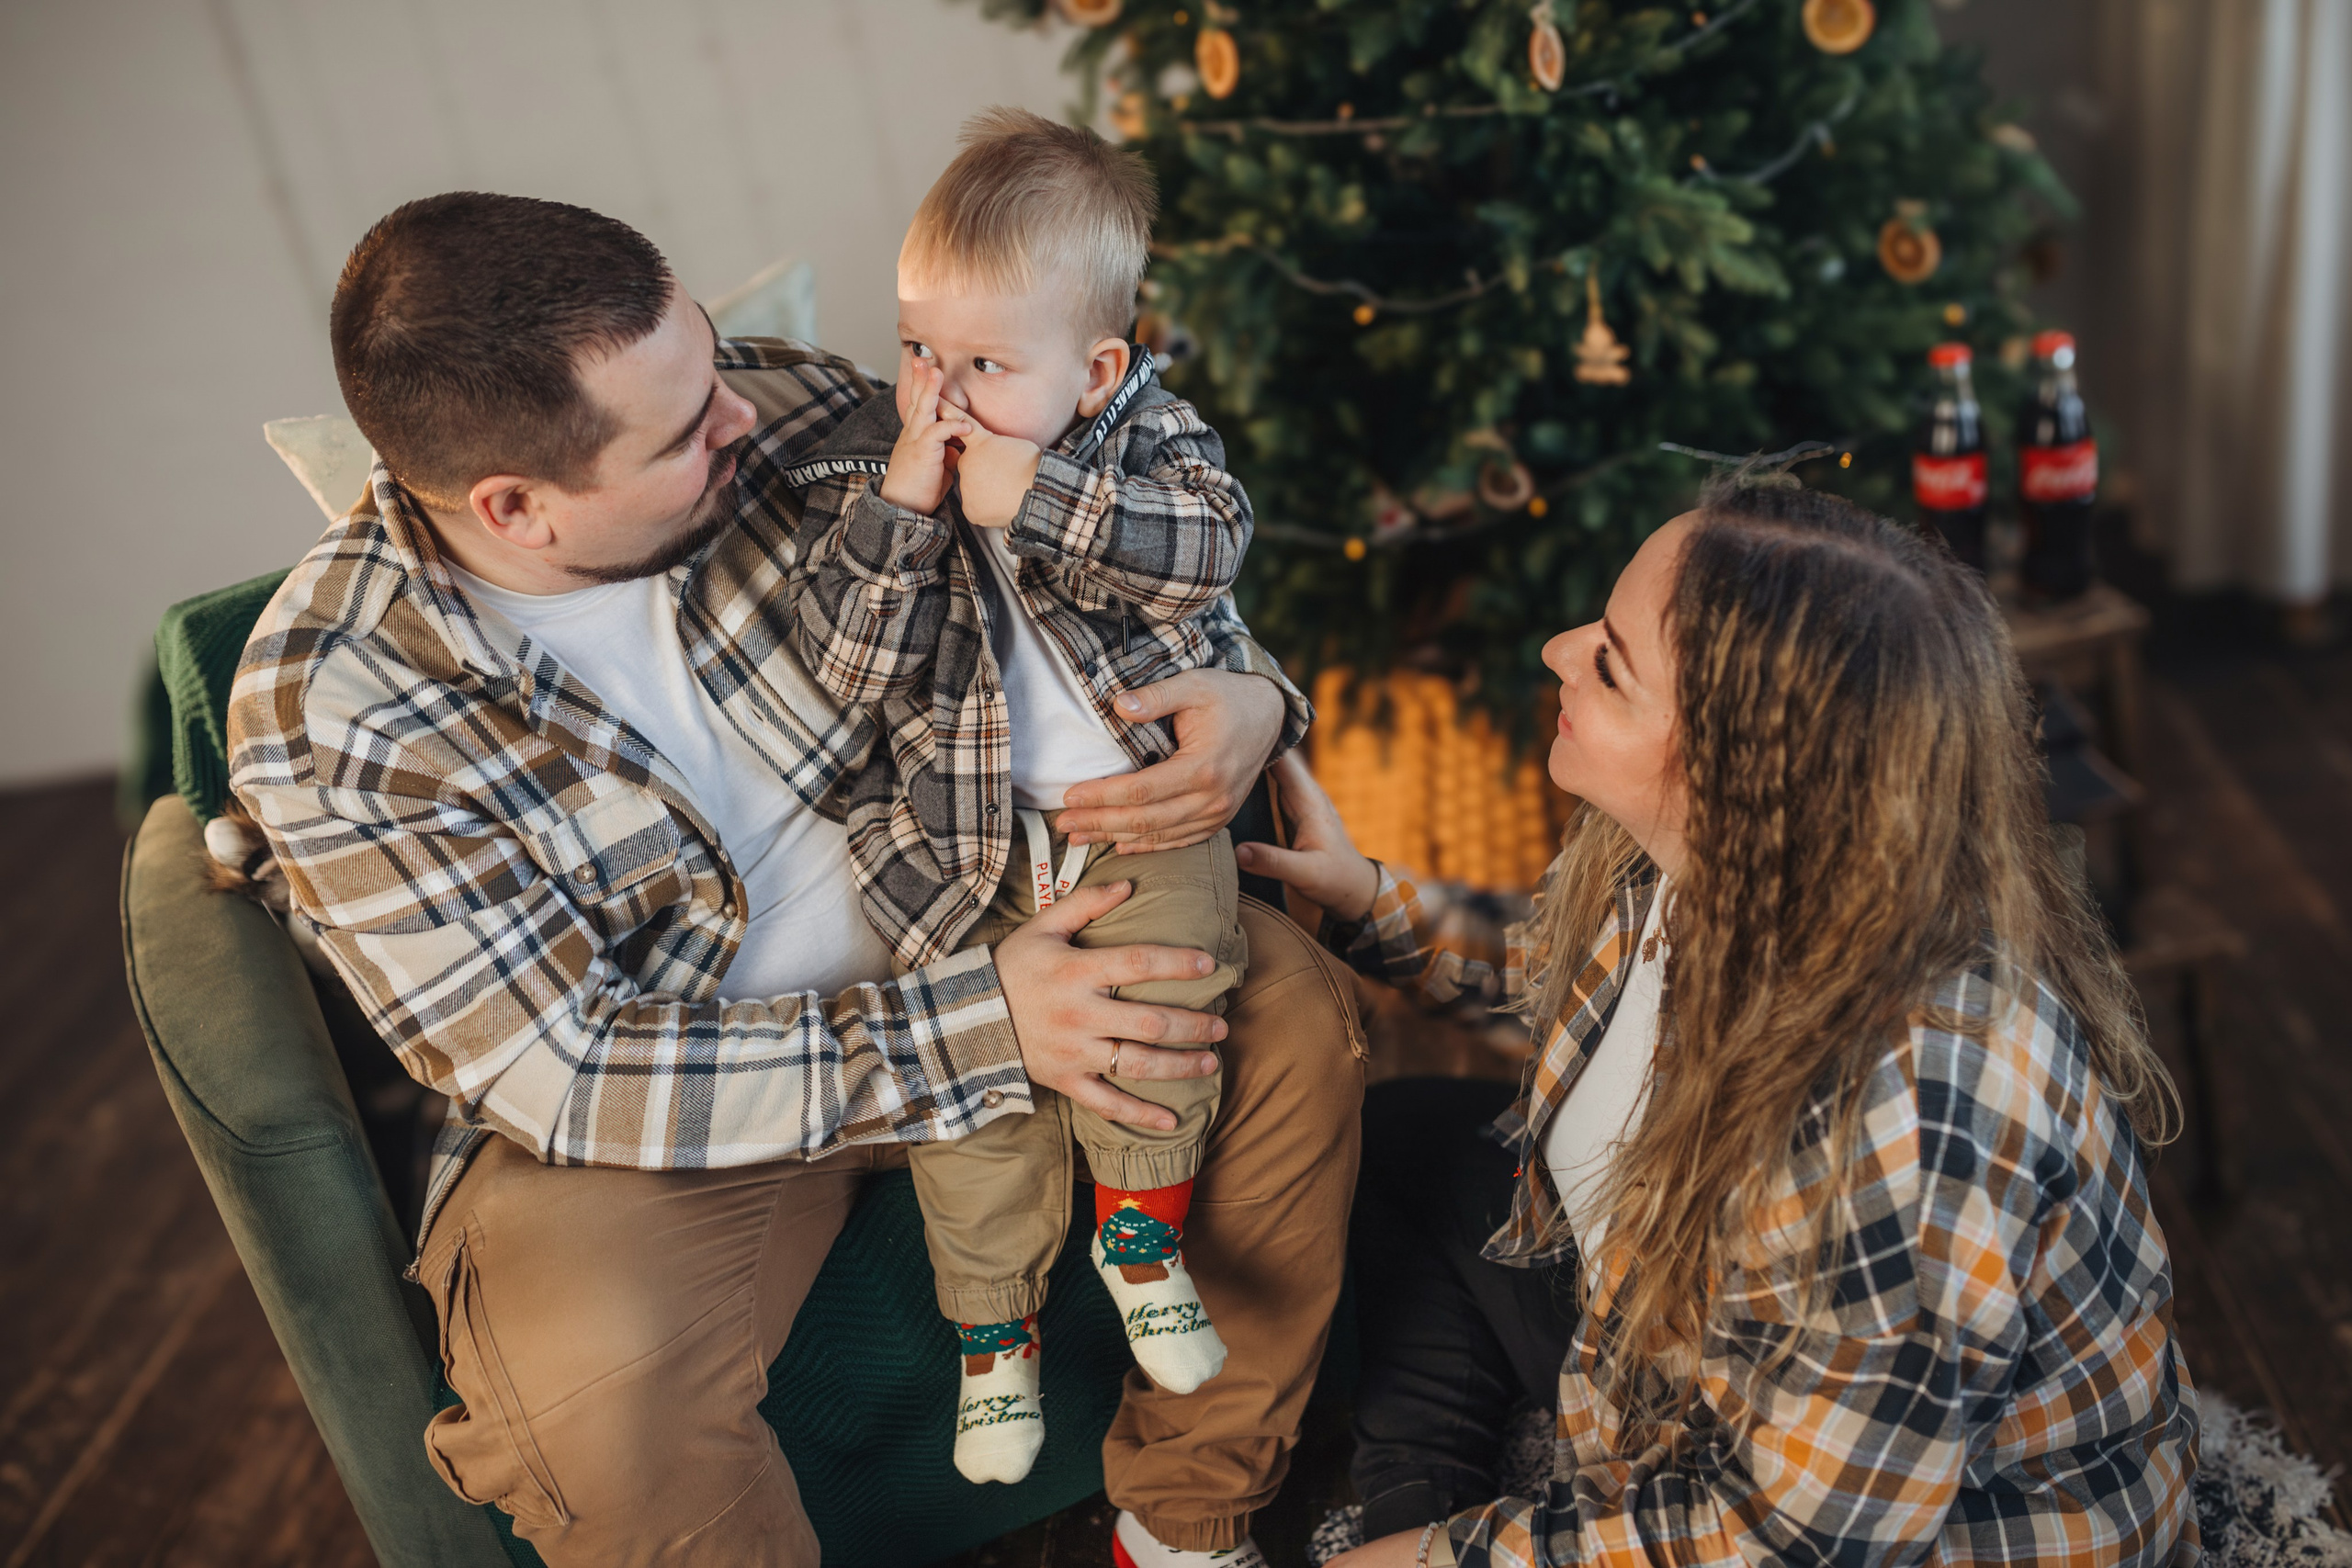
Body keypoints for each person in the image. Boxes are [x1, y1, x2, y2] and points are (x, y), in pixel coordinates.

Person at [225, 190, 1364, 1568]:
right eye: (683, 429)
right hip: (683, 1092)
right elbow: (568, 1068)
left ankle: (1186, 1524)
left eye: (709, 359)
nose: (741, 419)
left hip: (978, 898)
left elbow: (1121, 590)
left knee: (1282, 1008)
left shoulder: (797, 408)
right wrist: (987, 1020)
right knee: (598, 1387)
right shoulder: (337, 702)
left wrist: (1252, 693)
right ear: (515, 507)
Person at [1238, 475, 2199, 1568]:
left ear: (1739, 772)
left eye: (1607, 663)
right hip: (1683, 1356)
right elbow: (1572, 984)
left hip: (1927, 1534)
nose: (1556, 650)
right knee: (1409, 1135)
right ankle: (1421, 1508)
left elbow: (1788, 1540)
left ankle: (1428, 1534)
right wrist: (1369, 901)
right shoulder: (1718, 870)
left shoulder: (1914, 1105)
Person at [783, 108, 1249, 1498]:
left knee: (1171, 997)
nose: (940, 388)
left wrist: (1034, 495)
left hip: (1132, 818)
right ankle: (997, 1338)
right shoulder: (887, 463)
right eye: (922, 347)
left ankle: (1143, 1241)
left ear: (1094, 366)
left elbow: (1208, 552)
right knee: (970, 1090)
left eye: (985, 363)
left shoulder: (1146, 435)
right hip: (956, 845)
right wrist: (909, 509)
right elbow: (841, 667)